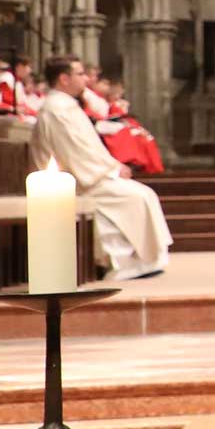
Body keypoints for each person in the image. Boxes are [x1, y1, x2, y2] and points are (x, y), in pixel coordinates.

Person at [33, 55, 173, 280]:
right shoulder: (56, 109)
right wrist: (111, 170)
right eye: (80, 74)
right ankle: (124, 264)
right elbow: (74, 152)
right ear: (64, 78)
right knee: (136, 197)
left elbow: (87, 147)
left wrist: (113, 166)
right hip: (78, 180)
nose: (86, 78)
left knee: (142, 194)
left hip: (90, 172)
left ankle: (140, 261)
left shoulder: (65, 105)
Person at [92, 79, 166, 176]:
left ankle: (150, 166)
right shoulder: (102, 101)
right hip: (111, 125)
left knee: (147, 138)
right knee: (133, 136)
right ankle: (132, 162)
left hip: (124, 124)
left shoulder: (120, 103)